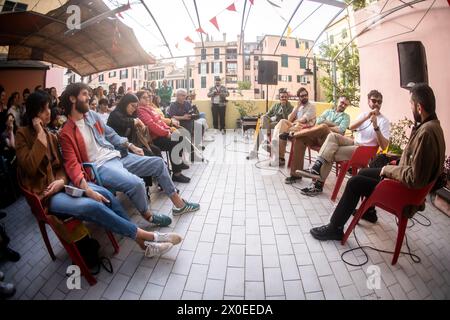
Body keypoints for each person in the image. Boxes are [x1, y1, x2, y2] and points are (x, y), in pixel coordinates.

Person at [16, 91, 181, 257]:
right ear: (33, 112)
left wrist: (60, 180)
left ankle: (143, 242)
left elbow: (62, 167)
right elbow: (29, 167)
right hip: (46, 196)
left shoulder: (51, 134)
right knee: (93, 205)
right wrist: (40, 137)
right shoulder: (24, 135)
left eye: (48, 108)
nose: (48, 113)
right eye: (43, 110)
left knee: (107, 196)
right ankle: (148, 238)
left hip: (63, 186)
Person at [310, 83, 446, 240]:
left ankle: (335, 228)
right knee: (365, 172)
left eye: (411, 105)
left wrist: (387, 170)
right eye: (373, 100)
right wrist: (393, 161)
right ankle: (369, 211)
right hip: (404, 182)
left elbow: (414, 177)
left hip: (404, 192)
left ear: (419, 108)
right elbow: (415, 162)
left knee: (354, 182)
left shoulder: (426, 133)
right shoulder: (433, 126)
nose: (411, 108)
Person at [58, 83, 199, 223]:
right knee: (137, 183)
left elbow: (111, 134)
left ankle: (179, 204)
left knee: (158, 163)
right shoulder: (66, 132)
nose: (89, 97)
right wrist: (85, 187)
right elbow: (72, 164)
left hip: (115, 155)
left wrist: (130, 145)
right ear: (72, 99)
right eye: (84, 94)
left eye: (89, 94)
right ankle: (148, 216)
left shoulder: (91, 116)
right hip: (100, 166)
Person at [298, 90, 390, 196]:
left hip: (364, 150)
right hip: (354, 143)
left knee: (330, 152)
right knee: (332, 136)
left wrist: (375, 126)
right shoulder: (364, 114)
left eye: (380, 102)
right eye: (374, 101)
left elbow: (384, 146)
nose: (377, 104)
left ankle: (317, 183)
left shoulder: (384, 121)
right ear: (369, 101)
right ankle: (316, 168)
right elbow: (351, 127)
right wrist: (366, 117)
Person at [285, 96, 351, 184]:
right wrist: (333, 125)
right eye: (342, 102)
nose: (343, 105)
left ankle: (293, 134)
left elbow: (341, 130)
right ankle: (295, 175)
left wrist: (326, 124)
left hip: (330, 141)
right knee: (300, 140)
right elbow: (318, 122)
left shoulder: (346, 117)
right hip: (316, 137)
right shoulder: (328, 111)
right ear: (338, 101)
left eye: (345, 105)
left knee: (323, 127)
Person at [137, 90, 191, 183]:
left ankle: (178, 163)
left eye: (148, 97)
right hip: (154, 139)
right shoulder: (140, 111)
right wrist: (166, 133)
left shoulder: (149, 108)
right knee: (177, 141)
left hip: (161, 134)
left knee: (181, 135)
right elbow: (152, 125)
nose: (148, 99)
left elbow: (160, 121)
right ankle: (177, 174)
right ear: (138, 99)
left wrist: (169, 129)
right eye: (144, 97)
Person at [269, 87, 316, 166]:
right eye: (302, 96)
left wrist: (293, 123)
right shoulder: (298, 106)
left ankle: (278, 154)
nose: (304, 97)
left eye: (305, 95)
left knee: (283, 129)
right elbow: (289, 119)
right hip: (294, 126)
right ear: (299, 98)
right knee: (282, 122)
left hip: (304, 128)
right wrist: (297, 107)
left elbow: (303, 120)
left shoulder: (311, 106)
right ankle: (279, 156)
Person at [107, 93, 161, 158]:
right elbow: (124, 122)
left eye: (136, 107)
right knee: (150, 155)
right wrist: (137, 121)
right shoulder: (115, 114)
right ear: (125, 103)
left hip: (133, 144)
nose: (134, 109)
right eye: (132, 106)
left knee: (156, 150)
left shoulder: (130, 114)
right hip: (118, 147)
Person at [248, 88, 294, 159]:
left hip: (280, 126)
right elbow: (268, 114)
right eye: (282, 97)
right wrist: (270, 118)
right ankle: (265, 139)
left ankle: (255, 151)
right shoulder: (276, 105)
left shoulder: (290, 107)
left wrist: (284, 107)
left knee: (261, 129)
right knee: (264, 116)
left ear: (287, 97)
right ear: (279, 98)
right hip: (271, 124)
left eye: (285, 97)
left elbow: (287, 119)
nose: (284, 98)